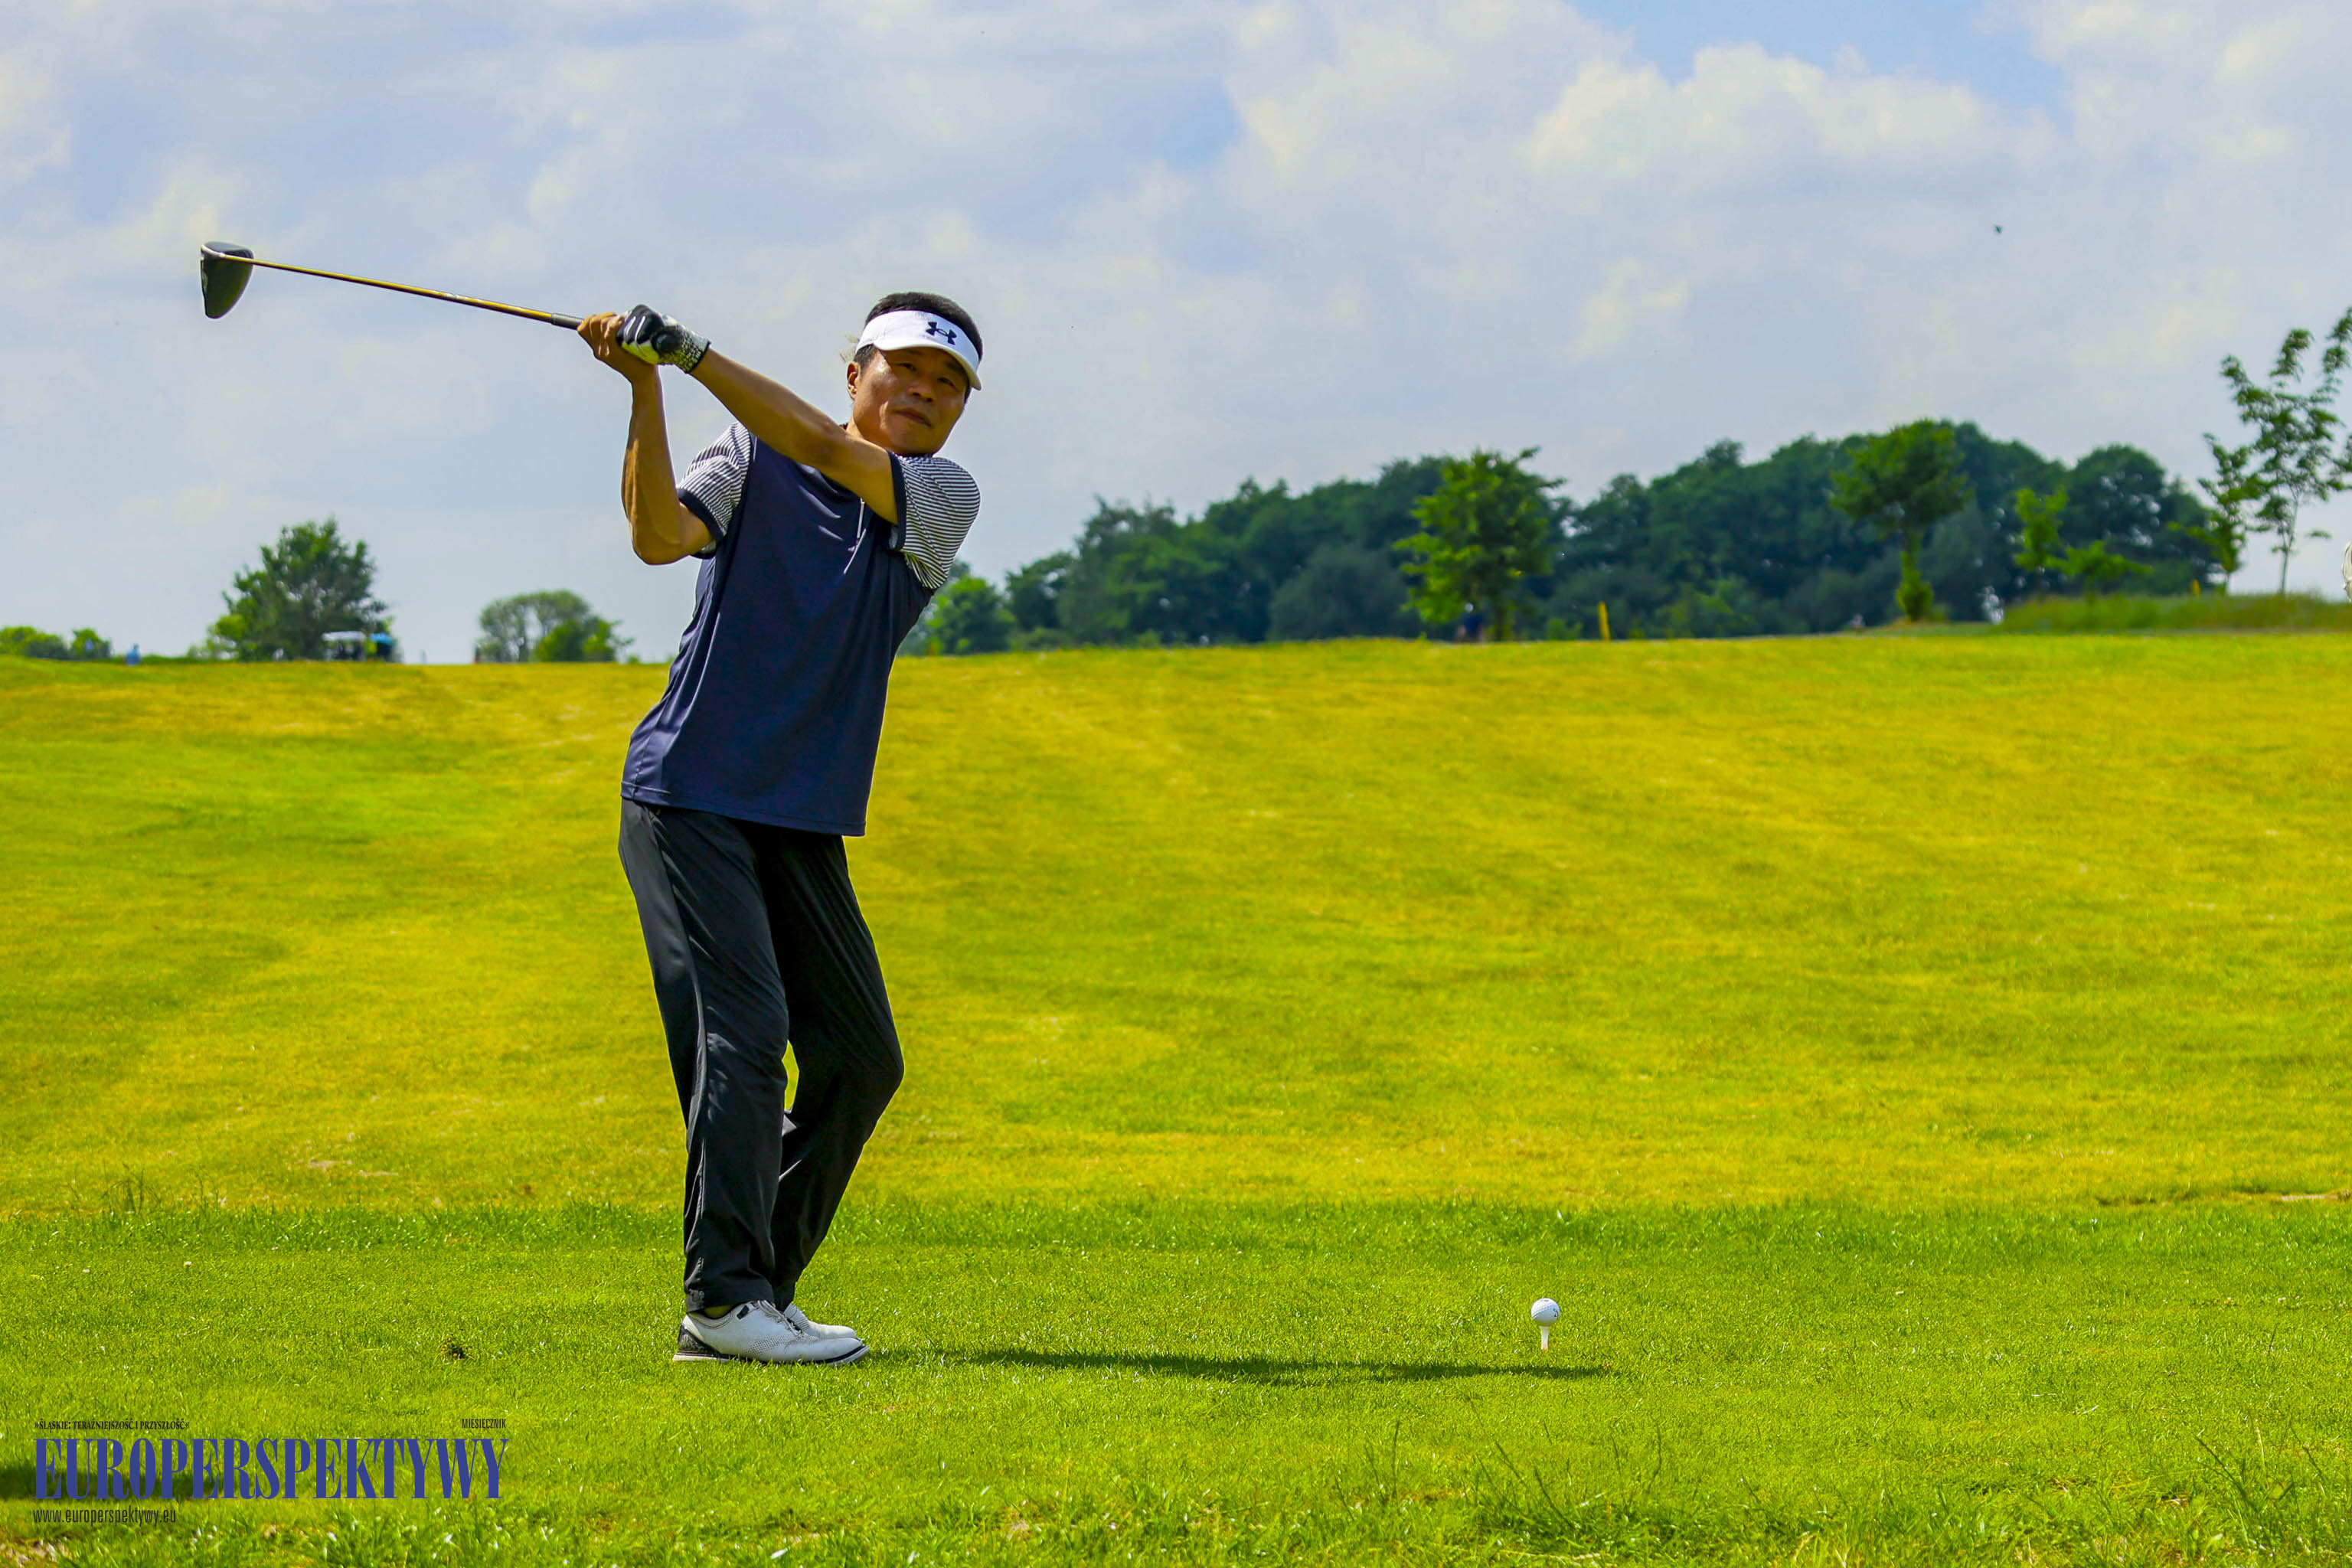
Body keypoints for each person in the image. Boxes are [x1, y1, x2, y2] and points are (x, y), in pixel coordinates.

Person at [579, 292, 984, 1367]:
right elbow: (661, 536)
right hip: (691, 793)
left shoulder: (941, 497)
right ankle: (722, 1303)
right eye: (903, 369)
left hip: (798, 818)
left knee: (860, 1059)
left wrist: (695, 350)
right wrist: (648, 388)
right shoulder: (749, 458)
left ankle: (758, 1289)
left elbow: (812, 438)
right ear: (857, 372)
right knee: (747, 1039)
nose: (924, 394)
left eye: (947, 386)